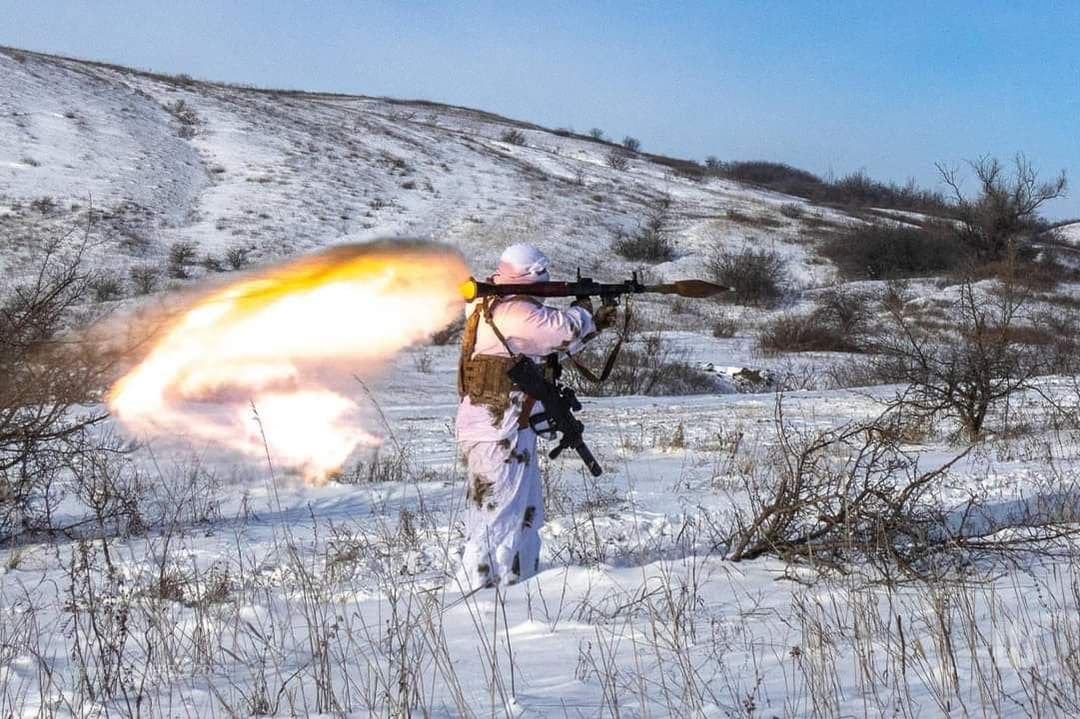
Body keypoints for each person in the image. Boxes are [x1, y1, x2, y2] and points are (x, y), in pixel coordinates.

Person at [454, 244, 614, 589]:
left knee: (525, 514)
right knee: (496, 516)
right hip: (496, 429)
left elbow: (550, 343)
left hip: (508, 424)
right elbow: (561, 331)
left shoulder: (489, 304)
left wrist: (593, 323)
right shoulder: (512, 312)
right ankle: (479, 593)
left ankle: (518, 582)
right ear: (532, 274)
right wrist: (585, 308)